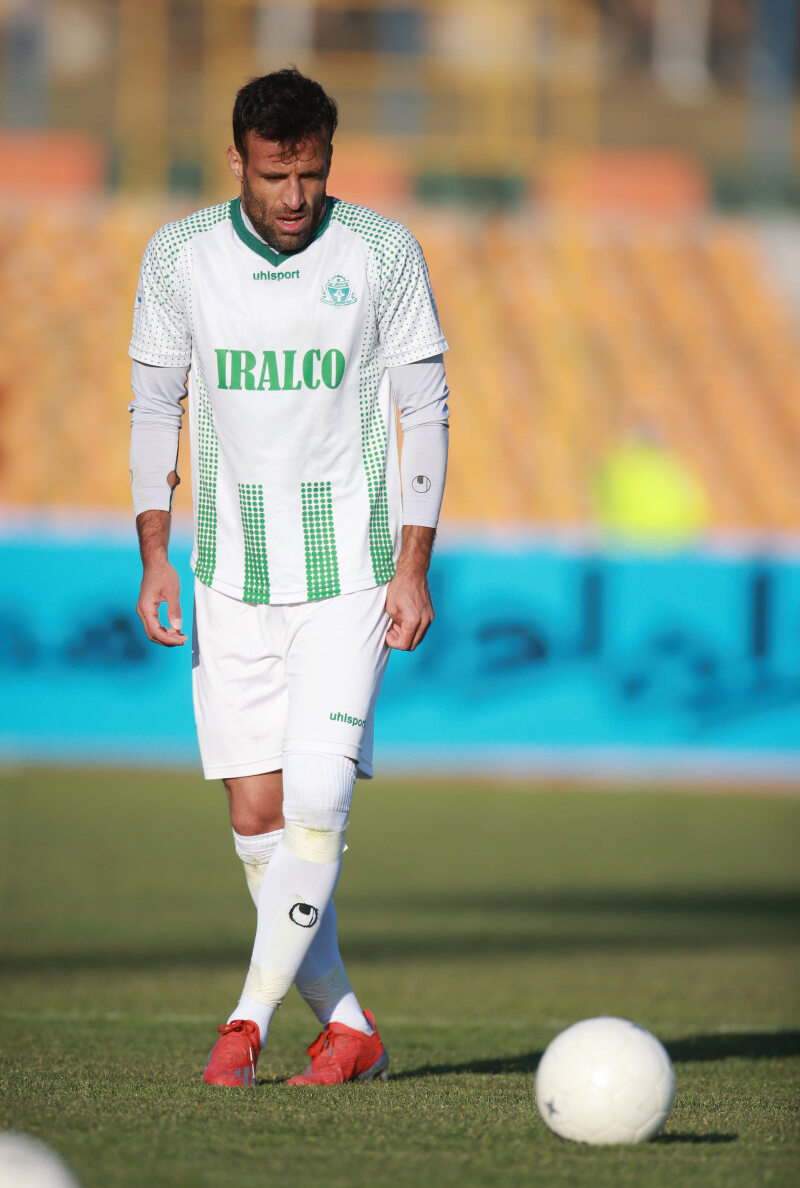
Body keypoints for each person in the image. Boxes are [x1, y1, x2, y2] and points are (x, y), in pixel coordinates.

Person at [128, 68, 449, 1087]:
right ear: (238, 161)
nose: (295, 196)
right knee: (257, 819)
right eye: (275, 176)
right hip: (229, 575)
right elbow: (154, 410)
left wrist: (412, 567)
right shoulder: (178, 256)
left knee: (316, 795)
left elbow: (425, 412)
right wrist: (155, 555)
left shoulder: (382, 252)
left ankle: (246, 1021)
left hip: (351, 571)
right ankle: (348, 1028)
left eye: (311, 172)